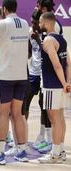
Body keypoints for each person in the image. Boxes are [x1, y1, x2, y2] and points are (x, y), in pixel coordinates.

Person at [0, 0, 29, 165]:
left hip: (4, 77)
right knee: (18, 114)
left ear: (3, 9)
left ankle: (0, 154)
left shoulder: (0, 24)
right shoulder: (25, 24)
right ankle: (22, 151)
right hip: (21, 76)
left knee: (2, 114)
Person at [37, 12, 71, 164]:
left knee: (54, 120)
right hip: (61, 86)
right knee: (60, 118)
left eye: (40, 22)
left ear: (46, 22)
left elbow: (58, 65)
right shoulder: (61, 39)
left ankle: (55, 154)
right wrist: (67, 82)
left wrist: (64, 83)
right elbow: (68, 63)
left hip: (52, 85)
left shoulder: (48, 40)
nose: (39, 25)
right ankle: (61, 151)